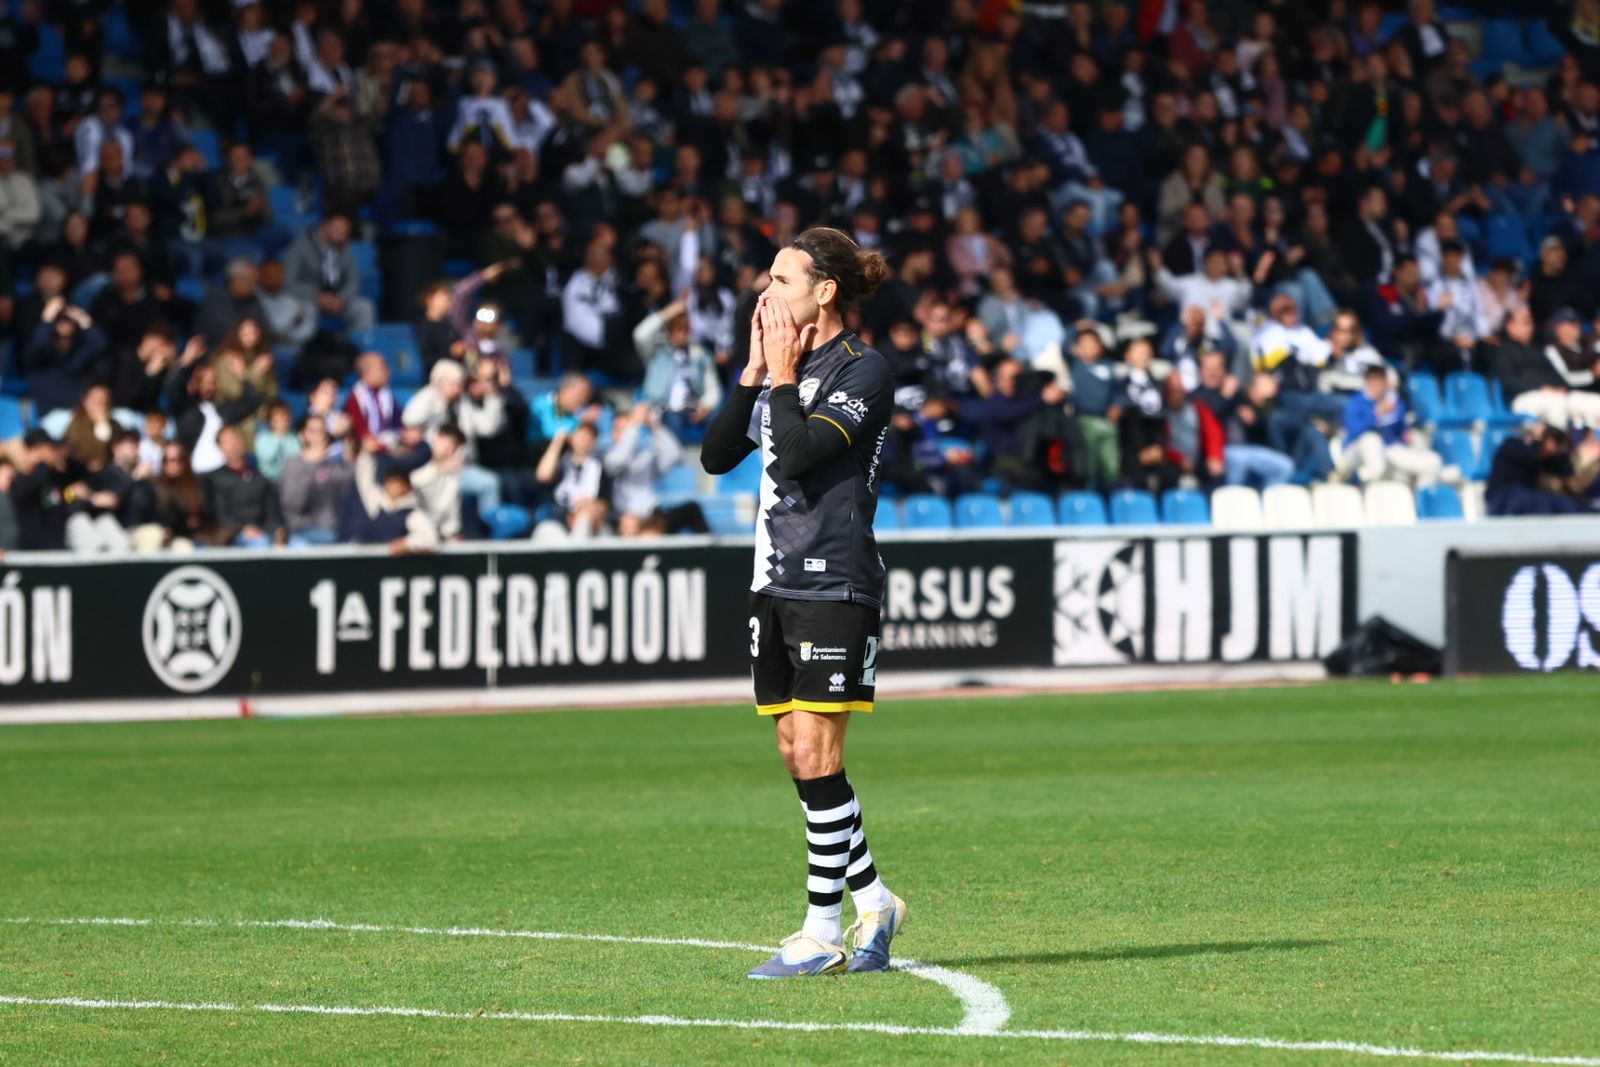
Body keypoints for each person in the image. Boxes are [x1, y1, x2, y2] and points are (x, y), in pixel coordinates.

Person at [699, 226, 902, 980]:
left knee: (819, 752)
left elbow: (803, 452)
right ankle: (875, 899)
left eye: (781, 280)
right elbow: (716, 456)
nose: (766, 292)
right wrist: (755, 372)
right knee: (796, 753)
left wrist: (781, 376)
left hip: (834, 580)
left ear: (825, 291)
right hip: (772, 579)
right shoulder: (783, 367)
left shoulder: (864, 369)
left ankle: (821, 931)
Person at [1337, 366, 1445, 486]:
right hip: (1357, 451)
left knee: (1432, 462)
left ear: (1385, 383)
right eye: (1373, 383)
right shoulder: (1355, 402)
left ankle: (1421, 494)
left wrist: (1405, 433)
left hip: (1388, 449)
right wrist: (1375, 414)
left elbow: (1400, 429)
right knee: (1372, 440)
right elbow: (1353, 431)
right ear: (1366, 383)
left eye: (1380, 383)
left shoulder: (1394, 403)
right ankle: (1353, 479)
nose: (1377, 388)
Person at [635, 297, 723, 441]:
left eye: (686, 330)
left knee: (719, 418)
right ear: (668, 331)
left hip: (693, 408)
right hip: (663, 409)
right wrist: (666, 314)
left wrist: (706, 405)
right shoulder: (656, 351)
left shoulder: (700, 354)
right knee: (673, 419)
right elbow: (640, 335)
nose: (682, 334)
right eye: (678, 330)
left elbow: (712, 386)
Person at [278, 414, 351, 546]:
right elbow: (293, 505)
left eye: (322, 431)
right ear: (302, 435)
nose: (319, 435)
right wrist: (311, 465)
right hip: (302, 530)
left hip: (333, 529)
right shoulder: (293, 464)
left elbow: (347, 493)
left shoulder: (333, 466)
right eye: (313, 431)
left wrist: (348, 450)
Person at [1485, 423, 1589, 515]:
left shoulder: (1545, 458)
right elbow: (1530, 455)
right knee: (1541, 501)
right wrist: (1538, 438)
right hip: (1502, 499)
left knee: (1564, 503)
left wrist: (1563, 449)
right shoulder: (1511, 445)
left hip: (1526, 500)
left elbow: (1567, 471)